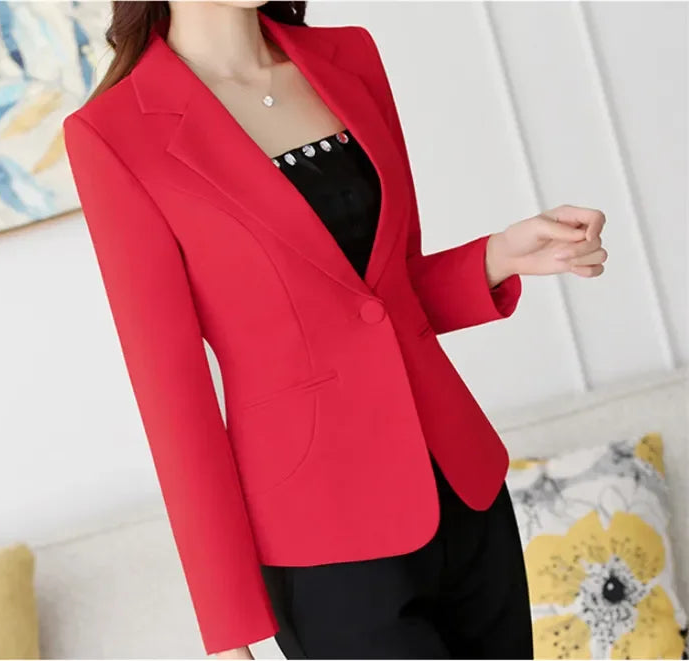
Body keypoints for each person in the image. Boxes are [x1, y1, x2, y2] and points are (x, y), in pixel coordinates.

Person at [63, 2, 608, 659]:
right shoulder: (113, 134)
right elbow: (174, 397)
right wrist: (231, 632)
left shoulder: (349, 58)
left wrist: (496, 256)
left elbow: (386, 297)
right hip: (326, 547)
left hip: (464, 494)